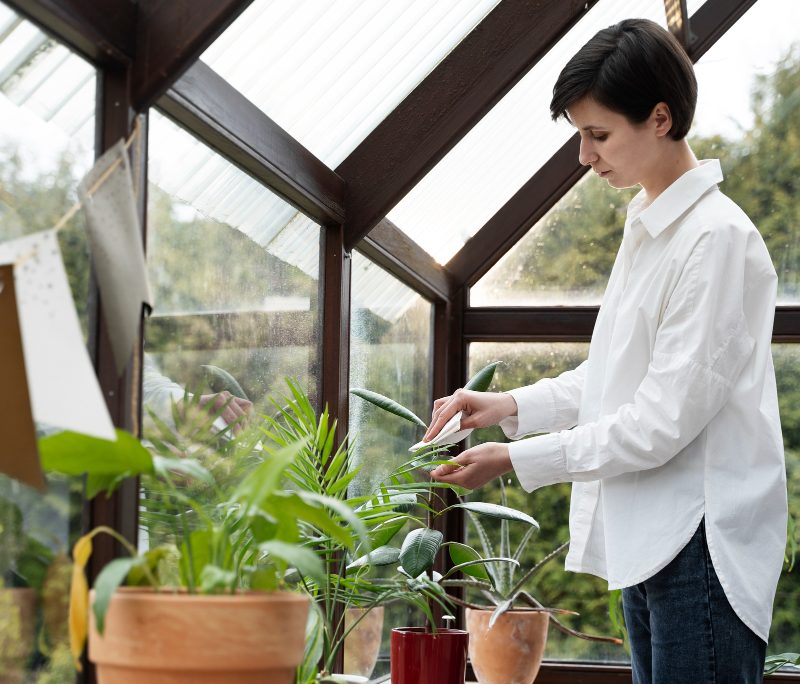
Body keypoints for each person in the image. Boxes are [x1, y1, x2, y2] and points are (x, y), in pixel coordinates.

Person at [426, 18, 787, 684]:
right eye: (580, 137)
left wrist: (515, 457)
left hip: (699, 543)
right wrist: (507, 404)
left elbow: (659, 421)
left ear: (659, 118)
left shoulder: (715, 240)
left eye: (598, 135)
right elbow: (615, 378)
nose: (585, 158)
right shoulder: (650, 230)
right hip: (651, 538)